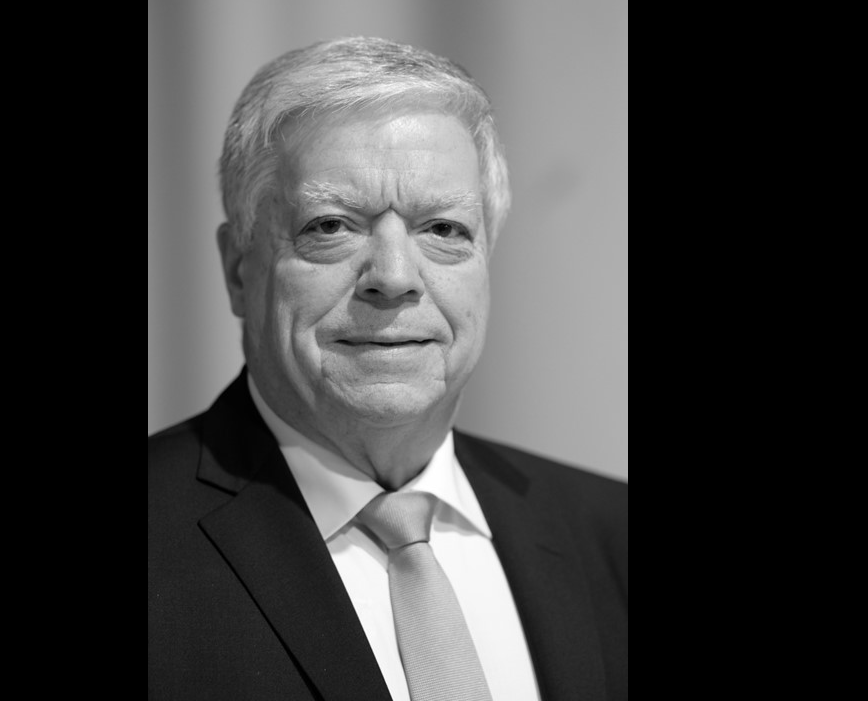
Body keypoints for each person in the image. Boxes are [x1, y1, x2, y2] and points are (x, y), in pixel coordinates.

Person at [148, 37, 628, 701]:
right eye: (331, 226)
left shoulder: (612, 532)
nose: (395, 277)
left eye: (444, 229)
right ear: (238, 270)